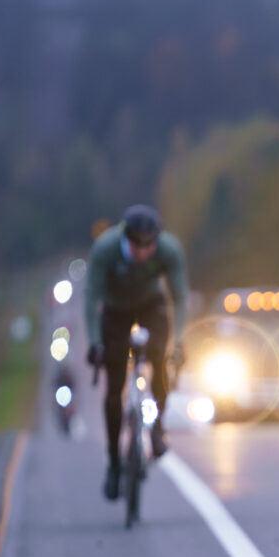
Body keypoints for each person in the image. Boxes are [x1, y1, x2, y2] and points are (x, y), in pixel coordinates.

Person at [83, 204, 188, 500]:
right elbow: (90, 296)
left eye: (149, 246)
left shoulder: (168, 250)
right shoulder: (106, 249)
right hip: (114, 310)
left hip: (149, 305)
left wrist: (178, 343)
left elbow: (179, 298)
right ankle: (115, 463)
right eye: (136, 246)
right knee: (114, 385)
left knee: (161, 360)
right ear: (125, 239)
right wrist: (94, 343)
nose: (143, 253)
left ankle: (157, 429)